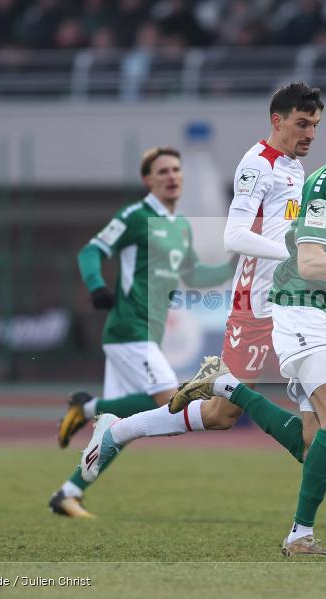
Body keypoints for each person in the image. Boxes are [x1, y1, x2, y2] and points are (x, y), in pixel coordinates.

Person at [81, 101, 326, 556]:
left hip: (300, 294)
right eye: (302, 123)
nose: (311, 133)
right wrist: (300, 253)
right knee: (223, 416)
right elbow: (235, 237)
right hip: (258, 302)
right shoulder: (257, 164)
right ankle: (120, 430)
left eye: (316, 124)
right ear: (277, 121)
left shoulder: (301, 171)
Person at [48, 146, 235, 518]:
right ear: (148, 180)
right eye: (162, 171)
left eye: (176, 170)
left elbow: (195, 275)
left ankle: (68, 494)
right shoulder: (135, 216)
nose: (172, 176)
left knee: (118, 429)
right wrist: (97, 286)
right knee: (166, 403)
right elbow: (90, 252)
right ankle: (84, 407)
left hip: (146, 333)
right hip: (128, 329)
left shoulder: (181, 226)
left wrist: (238, 260)